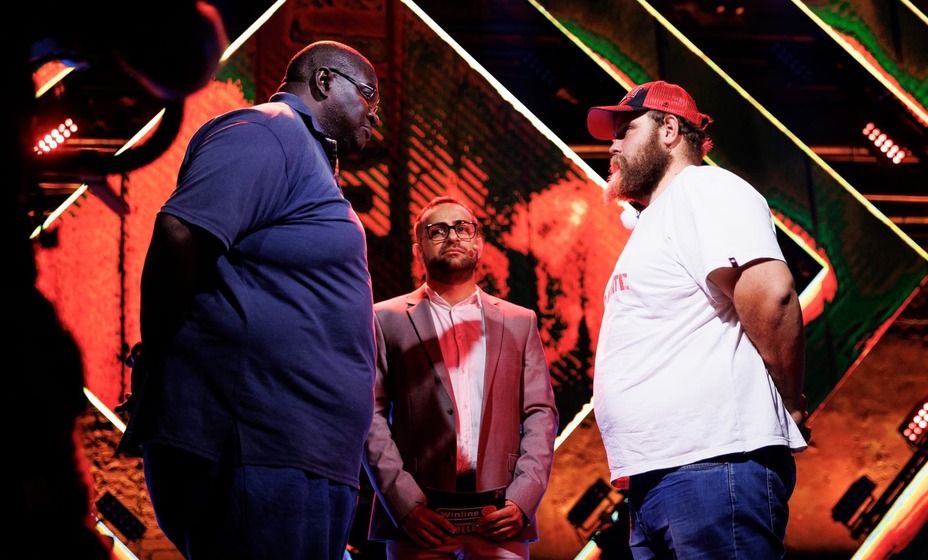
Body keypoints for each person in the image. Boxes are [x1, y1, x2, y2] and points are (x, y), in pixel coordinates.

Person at [116, 40, 381, 560]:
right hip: (258, 443)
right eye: (369, 95)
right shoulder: (269, 131)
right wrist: (160, 358)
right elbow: (179, 235)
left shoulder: (303, 153)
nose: (375, 114)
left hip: (298, 451)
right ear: (325, 81)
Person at [586, 80, 810, 559]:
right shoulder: (659, 217)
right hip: (662, 478)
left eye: (626, 130)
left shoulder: (703, 189)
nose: (613, 145)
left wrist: (789, 401)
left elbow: (773, 296)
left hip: (713, 469)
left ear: (669, 130)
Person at [362, 196, 559, 559]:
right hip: (420, 520)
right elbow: (368, 415)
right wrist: (404, 504)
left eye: (462, 228)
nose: (452, 236)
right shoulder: (384, 319)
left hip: (500, 515)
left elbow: (540, 414)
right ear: (418, 250)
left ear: (478, 243)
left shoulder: (520, 321)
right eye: (437, 230)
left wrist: (523, 498)